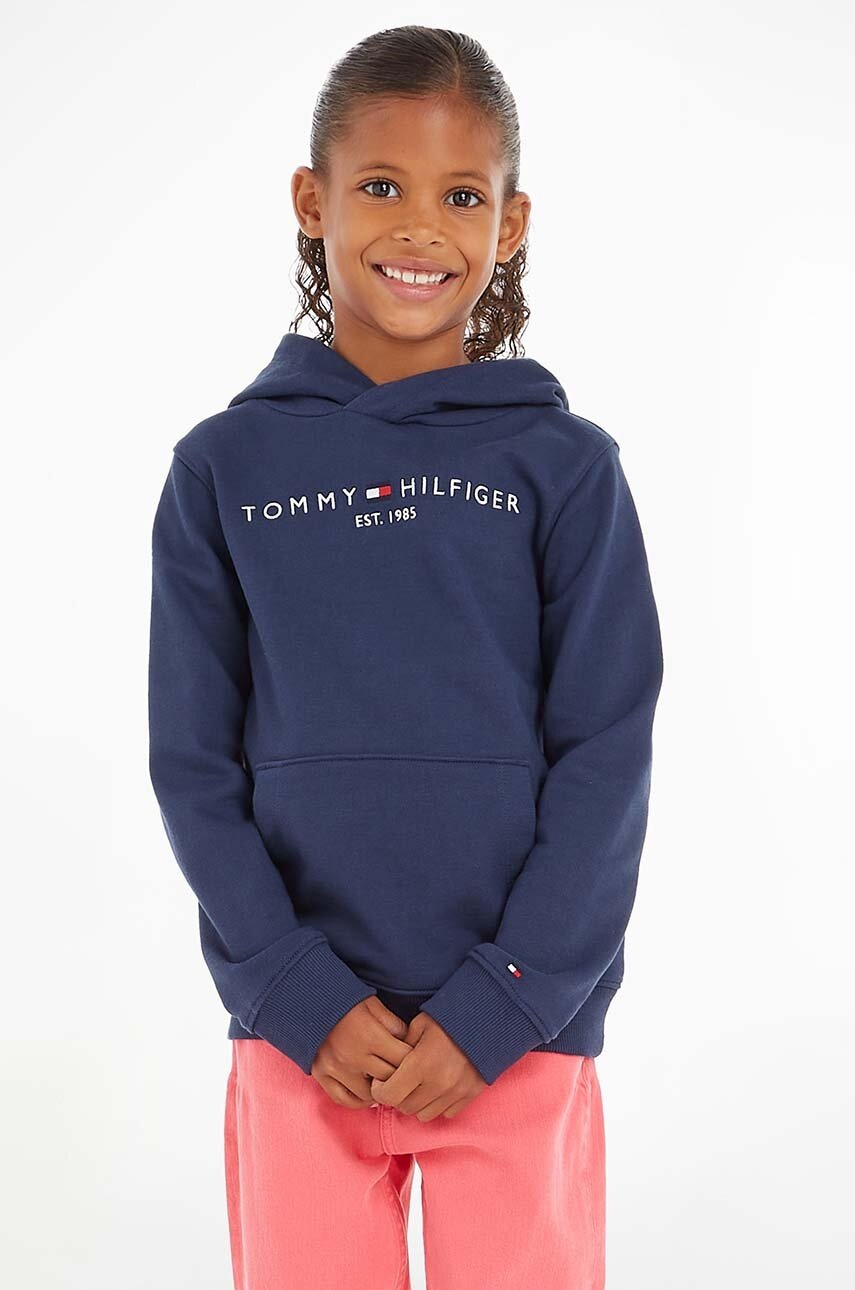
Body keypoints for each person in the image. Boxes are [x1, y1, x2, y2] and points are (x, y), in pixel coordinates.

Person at [147, 24, 664, 1290]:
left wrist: (507, 1001)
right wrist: (293, 991)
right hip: (302, 1035)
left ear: (512, 221)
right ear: (311, 200)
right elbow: (194, 765)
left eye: (463, 195)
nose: (421, 226)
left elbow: (606, 758)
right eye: (380, 185)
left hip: (521, 1029)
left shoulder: (566, 468)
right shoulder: (224, 468)